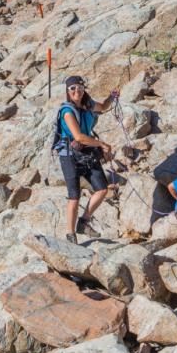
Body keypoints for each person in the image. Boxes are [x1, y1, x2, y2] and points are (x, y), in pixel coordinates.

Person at [52, 75, 119, 244]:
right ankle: (70, 233)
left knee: (102, 189)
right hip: (69, 155)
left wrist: (112, 96)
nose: (77, 91)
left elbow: (103, 106)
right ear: (67, 91)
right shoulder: (67, 111)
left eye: (80, 88)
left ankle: (84, 222)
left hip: (87, 152)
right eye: (73, 88)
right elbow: (78, 136)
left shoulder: (88, 104)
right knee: (74, 196)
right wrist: (102, 144)